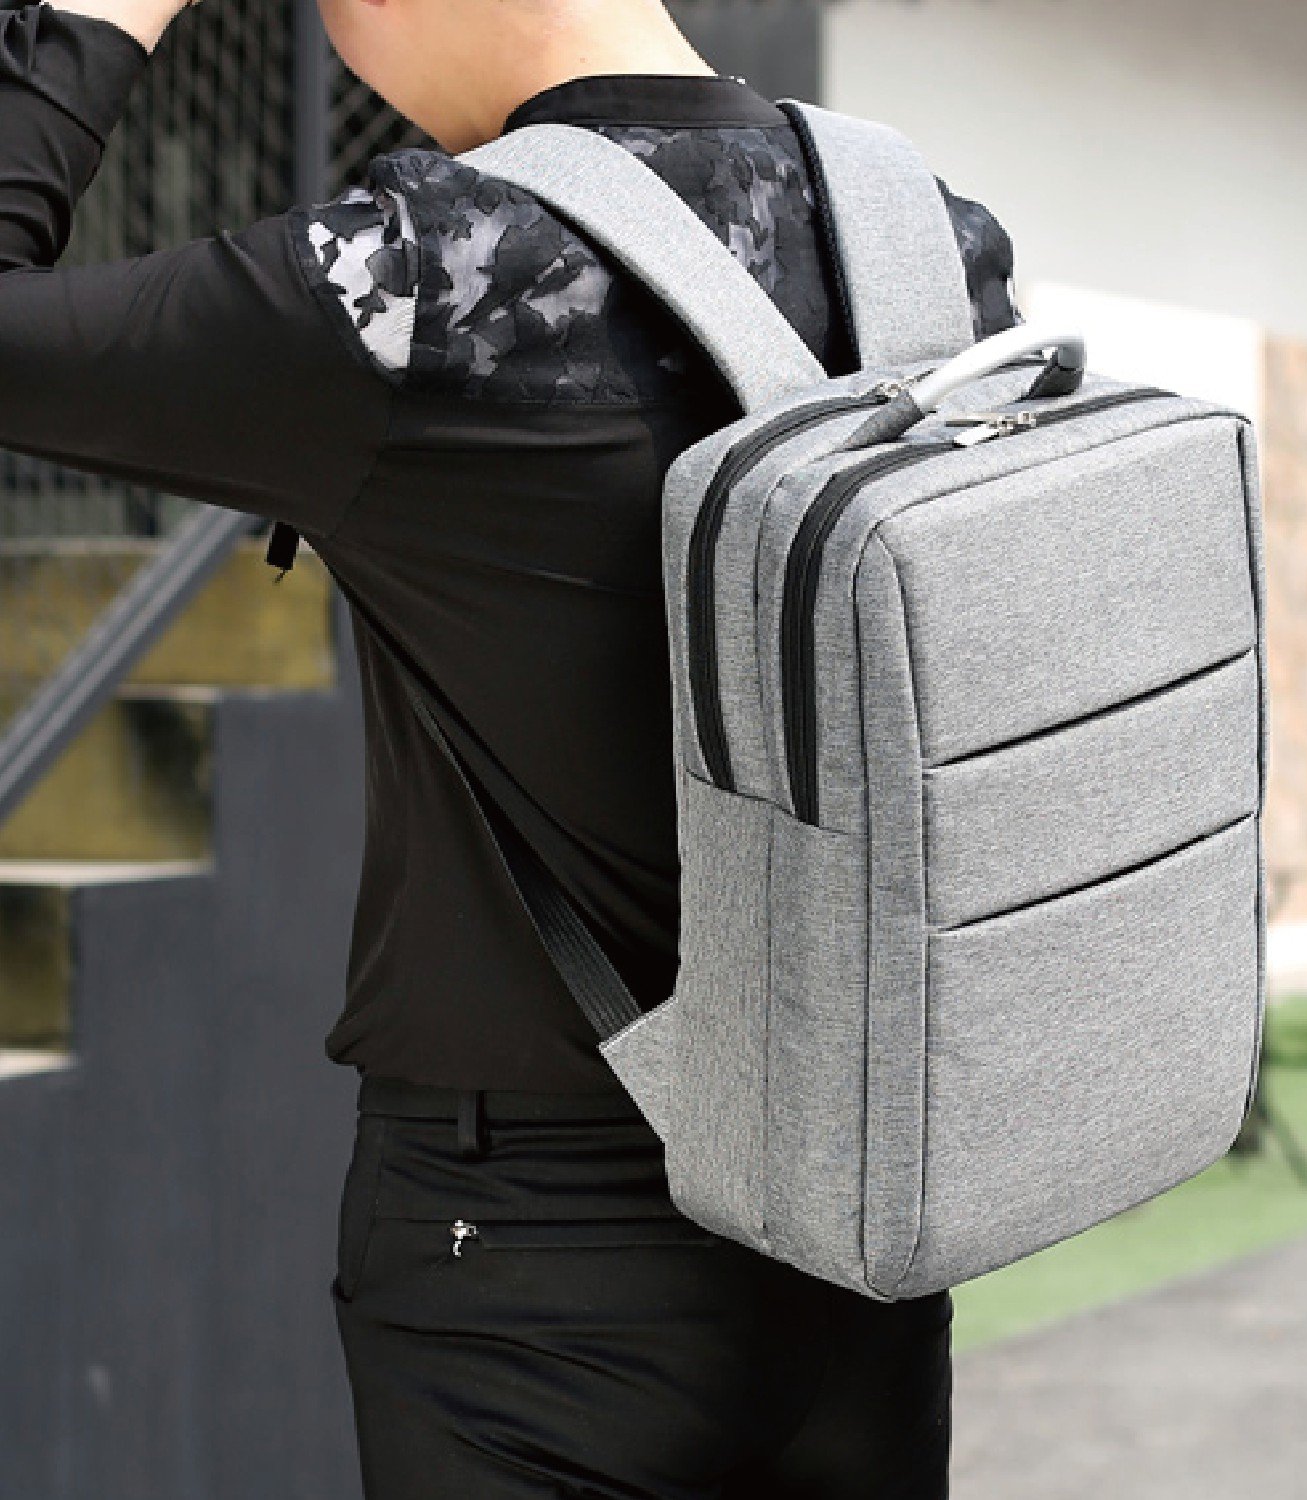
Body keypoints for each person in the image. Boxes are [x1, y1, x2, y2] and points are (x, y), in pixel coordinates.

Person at [0, 0, 1020, 1493]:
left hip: (532, 1258)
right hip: (858, 1214)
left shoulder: (428, 279)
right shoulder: (926, 234)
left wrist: (101, 18)